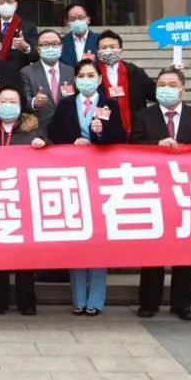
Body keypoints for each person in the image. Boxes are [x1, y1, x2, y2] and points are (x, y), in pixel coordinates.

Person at [130, 67, 191, 322]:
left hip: (185, 191)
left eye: (172, 84)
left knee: (184, 252)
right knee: (153, 250)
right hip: (154, 191)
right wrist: (156, 145)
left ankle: (183, 303)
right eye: (162, 84)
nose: (166, 88)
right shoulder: (144, 115)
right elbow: (132, 145)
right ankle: (149, 302)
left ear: (183, 90)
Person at [47, 60, 126, 316]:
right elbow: (54, 133)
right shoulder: (66, 104)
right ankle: (79, 298)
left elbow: (120, 137)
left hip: (100, 177)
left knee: (99, 238)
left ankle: (96, 300)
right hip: (74, 176)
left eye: (91, 75)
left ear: (99, 79)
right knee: (79, 236)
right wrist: (73, 142)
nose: (86, 79)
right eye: (81, 75)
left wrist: (100, 134)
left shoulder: (109, 105)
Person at [0, 85, 48, 315]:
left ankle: (27, 301)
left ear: (21, 106)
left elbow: (50, 153)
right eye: (3, 101)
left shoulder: (33, 130)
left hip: (23, 200)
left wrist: (42, 144)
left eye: (13, 101)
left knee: (25, 254)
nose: (8, 105)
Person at [95, 29, 155, 136]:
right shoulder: (93, 72)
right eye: (104, 48)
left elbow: (155, 94)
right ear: (98, 51)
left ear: (120, 50)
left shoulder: (135, 72)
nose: (108, 50)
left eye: (112, 47)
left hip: (135, 132)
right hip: (103, 133)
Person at [21, 29, 75, 131]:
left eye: (54, 44)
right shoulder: (27, 72)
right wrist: (34, 102)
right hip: (39, 131)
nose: (50, 48)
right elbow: (23, 100)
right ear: (38, 49)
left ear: (61, 47)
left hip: (67, 130)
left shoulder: (71, 71)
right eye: (45, 45)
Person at [0, 0, 37, 70]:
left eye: (9, 2)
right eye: (1, 2)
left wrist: (25, 47)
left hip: (19, 74)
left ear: (16, 4)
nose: (5, 5)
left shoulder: (28, 27)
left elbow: (37, 55)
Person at [59, 3, 99, 68]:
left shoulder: (99, 40)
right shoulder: (61, 42)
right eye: (73, 19)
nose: (77, 21)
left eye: (81, 18)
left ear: (88, 19)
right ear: (67, 22)